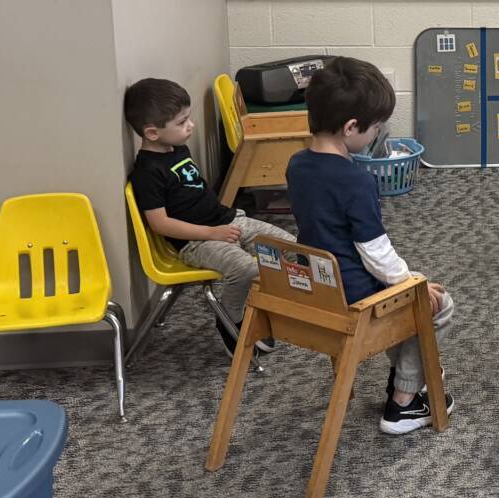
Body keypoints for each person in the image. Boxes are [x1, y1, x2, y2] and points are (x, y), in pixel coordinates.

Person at [284, 58, 454, 438]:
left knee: (412, 299)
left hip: (316, 286)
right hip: (353, 295)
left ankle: (410, 374)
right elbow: (375, 251)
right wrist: (412, 284)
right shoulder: (355, 181)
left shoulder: (297, 165)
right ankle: (404, 402)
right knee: (437, 306)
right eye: (376, 127)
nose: (378, 132)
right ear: (350, 128)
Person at [124, 77, 295, 357]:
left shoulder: (178, 149)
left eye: (188, 118)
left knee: (291, 248)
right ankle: (230, 321)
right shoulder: (147, 173)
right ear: (152, 133)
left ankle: (264, 308)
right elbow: (160, 224)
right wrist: (212, 234)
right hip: (196, 242)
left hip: (229, 220)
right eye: (181, 122)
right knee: (246, 269)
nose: (190, 126)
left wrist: (225, 226)